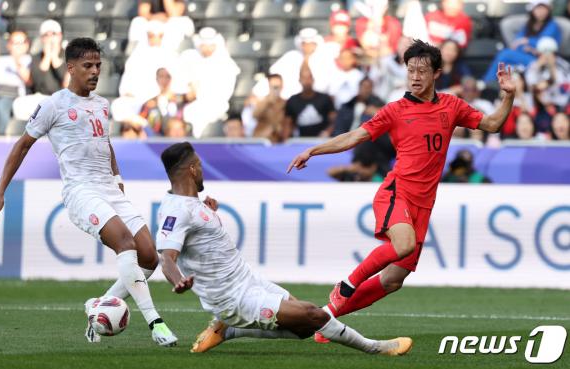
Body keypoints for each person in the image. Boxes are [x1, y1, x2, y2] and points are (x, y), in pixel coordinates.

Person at [287, 40, 516, 343]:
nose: (415, 76)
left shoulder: (452, 105)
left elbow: (492, 124)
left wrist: (508, 96)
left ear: (437, 73)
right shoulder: (395, 110)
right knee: (404, 244)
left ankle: (327, 317)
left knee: (394, 280)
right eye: (411, 70)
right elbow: (355, 136)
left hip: (424, 203)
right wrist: (314, 150)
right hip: (397, 193)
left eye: (422, 71)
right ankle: (346, 285)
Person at [0, 38, 178, 347]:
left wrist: (117, 176)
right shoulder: (53, 105)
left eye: (98, 65)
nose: (95, 71)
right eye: (88, 66)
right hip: (81, 191)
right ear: (70, 68)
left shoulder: (102, 105)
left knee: (150, 257)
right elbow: (22, 147)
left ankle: (97, 308)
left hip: (109, 189)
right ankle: (156, 323)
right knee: (125, 244)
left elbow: (105, 143)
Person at [155, 142, 413, 355]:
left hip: (248, 279)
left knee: (304, 328)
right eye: (199, 166)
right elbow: (167, 257)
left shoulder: (192, 203)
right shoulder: (177, 211)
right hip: (233, 299)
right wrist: (178, 280)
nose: (202, 171)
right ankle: (377, 348)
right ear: (191, 169)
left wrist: (208, 212)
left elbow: (196, 231)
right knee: (314, 315)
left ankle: (227, 330)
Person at [482, 0, 561, 82]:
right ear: (532, 10)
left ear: (548, 10)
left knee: (505, 54)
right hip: (525, 56)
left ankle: (486, 82)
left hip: (540, 61)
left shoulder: (552, 26)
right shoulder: (529, 24)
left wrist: (528, 42)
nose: (540, 12)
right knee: (506, 65)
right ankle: (492, 88)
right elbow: (518, 41)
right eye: (538, 9)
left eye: (543, 9)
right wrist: (526, 45)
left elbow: (544, 45)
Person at [12, 20, 67, 122]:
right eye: (46, 35)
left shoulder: (69, 56)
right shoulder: (37, 57)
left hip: (62, 100)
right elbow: (37, 83)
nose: (50, 38)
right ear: (42, 39)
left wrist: (54, 59)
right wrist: (46, 58)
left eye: (53, 34)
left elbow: (68, 84)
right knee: (18, 104)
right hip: (42, 99)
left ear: (60, 36)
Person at [283, 65, 336, 139]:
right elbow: (287, 123)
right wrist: (286, 141)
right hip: (299, 141)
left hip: (322, 141)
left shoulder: (324, 98)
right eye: (304, 78)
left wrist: (327, 132)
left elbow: (334, 121)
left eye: (309, 78)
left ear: (313, 79)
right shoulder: (292, 100)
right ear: (299, 80)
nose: (306, 81)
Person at [252, 74, 286, 143]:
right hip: (261, 140)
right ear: (269, 86)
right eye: (273, 87)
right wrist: (268, 101)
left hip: (278, 142)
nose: (275, 89)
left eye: (277, 86)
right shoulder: (262, 101)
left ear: (282, 86)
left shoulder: (285, 103)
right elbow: (255, 115)